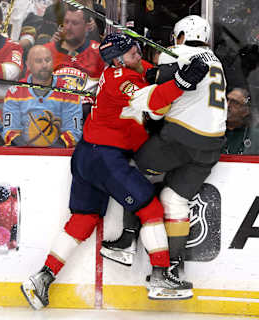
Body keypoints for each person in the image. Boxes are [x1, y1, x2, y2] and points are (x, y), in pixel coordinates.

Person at [20, 32, 209, 309]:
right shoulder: (122, 80)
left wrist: (176, 69)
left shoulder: (124, 70)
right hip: (106, 158)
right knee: (152, 209)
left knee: (83, 220)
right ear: (118, 60)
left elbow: (153, 73)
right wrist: (182, 82)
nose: (138, 53)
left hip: (87, 155)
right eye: (132, 52)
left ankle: (42, 277)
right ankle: (159, 275)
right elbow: (155, 102)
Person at [100, 16, 227, 280]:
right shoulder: (215, 60)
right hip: (213, 145)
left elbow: (159, 106)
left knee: (134, 170)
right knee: (175, 200)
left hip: (182, 137)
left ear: (180, 36)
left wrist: (151, 80)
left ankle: (128, 240)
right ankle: (174, 267)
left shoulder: (176, 53)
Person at [3, 45, 82, 147]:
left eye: (47, 60)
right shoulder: (15, 92)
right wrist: (29, 151)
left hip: (59, 156)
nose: (44, 65)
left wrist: (50, 151)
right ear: (28, 65)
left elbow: (74, 132)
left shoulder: (69, 91)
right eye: (39, 61)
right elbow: (10, 131)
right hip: (23, 155)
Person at [43, 5, 105, 118]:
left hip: (84, 116)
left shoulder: (100, 53)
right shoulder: (46, 51)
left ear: (87, 26)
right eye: (66, 22)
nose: (68, 27)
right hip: (49, 115)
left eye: (75, 23)